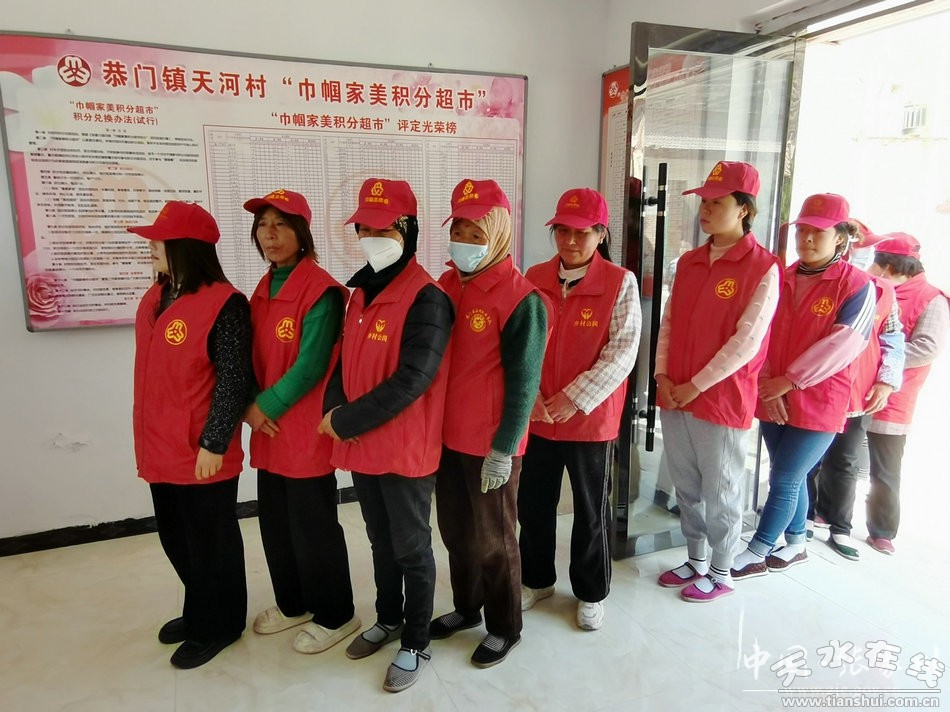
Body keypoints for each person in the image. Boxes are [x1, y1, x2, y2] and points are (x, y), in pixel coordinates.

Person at [318, 178, 453, 693]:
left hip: (404, 448)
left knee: (411, 547)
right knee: (379, 540)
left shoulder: (428, 298)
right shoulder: (359, 292)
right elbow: (343, 362)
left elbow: (413, 379)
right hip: (364, 445)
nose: (371, 238)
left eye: (384, 229)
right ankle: (388, 618)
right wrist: (334, 408)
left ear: (408, 230)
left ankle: (416, 640)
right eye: (364, 229)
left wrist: (346, 420)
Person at [128, 201, 252, 669]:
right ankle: (201, 607)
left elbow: (234, 380)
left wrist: (214, 442)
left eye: (159, 240)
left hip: (200, 449)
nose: (151, 247)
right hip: (160, 444)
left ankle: (220, 624)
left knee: (210, 543)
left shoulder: (226, 303)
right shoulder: (157, 296)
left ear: (186, 247)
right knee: (177, 537)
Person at [429, 179, 547, 667]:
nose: (464, 242)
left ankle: (504, 626)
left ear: (498, 234)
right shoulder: (445, 286)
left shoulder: (521, 298)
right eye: (458, 230)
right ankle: (467, 607)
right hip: (445, 438)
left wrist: (505, 447)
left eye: (475, 233)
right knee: (456, 533)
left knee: (494, 539)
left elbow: (524, 382)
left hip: (489, 445)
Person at [650, 162, 780, 602]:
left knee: (721, 488)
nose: (705, 210)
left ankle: (722, 570)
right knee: (686, 484)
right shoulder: (689, 262)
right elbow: (669, 323)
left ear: (744, 209)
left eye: (716, 203)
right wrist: (662, 375)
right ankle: (696, 559)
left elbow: (747, 341)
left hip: (721, 399)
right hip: (675, 392)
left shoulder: (763, 267)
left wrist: (697, 385)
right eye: (703, 202)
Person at [731, 193, 876, 580]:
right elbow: (759, 333)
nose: (807, 239)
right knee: (788, 473)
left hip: (819, 400)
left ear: (840, 238)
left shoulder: (857, 285)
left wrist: (789, 382)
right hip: (772, 393)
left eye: (818, 233)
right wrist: (767, 382)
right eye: (802, 231)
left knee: (784, 477)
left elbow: (845, 343)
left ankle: (758, 550)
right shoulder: (781, 275)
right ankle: (796, 543)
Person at [242, 189, 359, 653]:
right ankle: (294, 603)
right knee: (275, 522)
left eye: (281, 225)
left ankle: (336, 613)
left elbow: (311, 366)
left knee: (313, 525)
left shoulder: (321, 291)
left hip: (302, 429)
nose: (269, 235)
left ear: (302, 232)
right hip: (268, 428)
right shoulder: (263, 287)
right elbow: (249, 356)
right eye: (262, 225)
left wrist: (263, 407)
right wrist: (251, 404)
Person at [518, 187, 641, 625]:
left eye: (582, 232)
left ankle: (591, 592)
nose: (570, 241)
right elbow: (520, 341)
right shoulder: (534, 276)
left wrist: (574, 397)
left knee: (590, 511)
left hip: (589, 420)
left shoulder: (620, 282)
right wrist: (530, 395)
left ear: (601, 234)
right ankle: (536, 580)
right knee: (533, 504)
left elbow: (622, 351)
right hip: (539, 416)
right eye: (562, 231)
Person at [806, 226, 905, 561]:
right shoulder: (820, 282)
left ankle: (840, 526)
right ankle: (805, 517)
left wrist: (886, 381)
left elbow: (893, 340)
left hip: (857, 392)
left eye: (867, 250)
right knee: (808, 458)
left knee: (845, 461)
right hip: (816, 385)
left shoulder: (884, 291)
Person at [864, 233, 949, 555]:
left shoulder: (932, 298)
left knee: (885, 469)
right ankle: (828, 512)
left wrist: (881, 360)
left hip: (895, 396)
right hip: (858, 387)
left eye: (876, 261)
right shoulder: (877, 287)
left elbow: (927, 348)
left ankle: (882, 530)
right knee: (840, 457)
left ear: (889, 265)